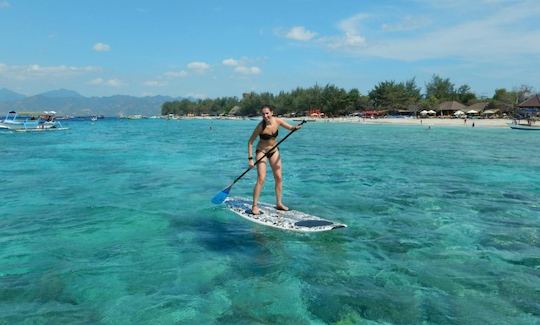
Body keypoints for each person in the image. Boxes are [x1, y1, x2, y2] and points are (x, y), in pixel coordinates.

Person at [247, 105, 301, 215]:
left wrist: (296, 128)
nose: (265, 116)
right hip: (261, 152)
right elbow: (250, 142)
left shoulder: (278, 121)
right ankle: (254, 205)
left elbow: (290, 128)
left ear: (272, 112)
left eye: (267, 113)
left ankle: (279, 203)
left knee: (279, 177)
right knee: (261, 178)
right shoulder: (260, 126)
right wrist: (250, 159)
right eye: (263, 114)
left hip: (274, 151)